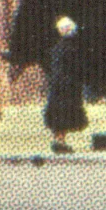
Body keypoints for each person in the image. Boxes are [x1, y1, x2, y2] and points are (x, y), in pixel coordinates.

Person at [42, 13, 90, 153]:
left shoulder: (57, 48)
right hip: (67, 86)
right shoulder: (71, 48)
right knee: (64, 114)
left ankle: (59, 140)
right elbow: (76, 68)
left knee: (58, 114)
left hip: (56, 86)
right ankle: (60, 142)